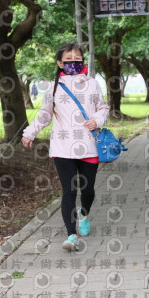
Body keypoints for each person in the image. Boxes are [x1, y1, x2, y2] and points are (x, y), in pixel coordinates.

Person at [21, 43, 109, 251]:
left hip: (88, 145)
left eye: (77, 58)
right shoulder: (53, 87)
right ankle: (71, 236)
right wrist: (30, 132)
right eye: (68, 59)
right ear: (60, 63)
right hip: (62, 147)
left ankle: (84, 213)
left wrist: (96, 120)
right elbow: (45, 115)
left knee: (87, 190)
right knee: (69, 191)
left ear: (83, 61)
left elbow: (103, 108)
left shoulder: (92, 84)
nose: (73, 62)